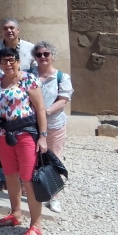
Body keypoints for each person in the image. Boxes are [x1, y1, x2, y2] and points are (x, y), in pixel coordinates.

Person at [0, 46, 48, 235]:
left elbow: (40, 109)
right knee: (10, 176)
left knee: (29, 179)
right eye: (4, 61)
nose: (8, 64)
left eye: (11, 60)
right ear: (0, 64)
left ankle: (36, 225)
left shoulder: (28, 80)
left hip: (26, 133)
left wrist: (43, 136)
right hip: (4, 134)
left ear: (18, 61)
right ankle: (15, 214)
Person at [0, 18, 35, 191]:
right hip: (0, 96)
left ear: (18, 30)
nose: (9, 31)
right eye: (5, 28)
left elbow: (34, 74)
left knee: (24, 140)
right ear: (1, 31)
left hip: (22, 99)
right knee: (1, 138)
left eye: (12, 28)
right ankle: (4, 177)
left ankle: (24, 181)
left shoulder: (30, 48)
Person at [30, 41, 73, 213]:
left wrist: (44, 113)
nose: (42, 57)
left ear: (52, 56)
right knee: (31, 160)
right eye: (39, 54)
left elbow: (63, 100)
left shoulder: (62, 78)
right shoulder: (28, 76)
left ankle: (53, 197)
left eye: (46, 54)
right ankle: (32, 192)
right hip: (31, 125)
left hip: (54, 124)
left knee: (53, 159)